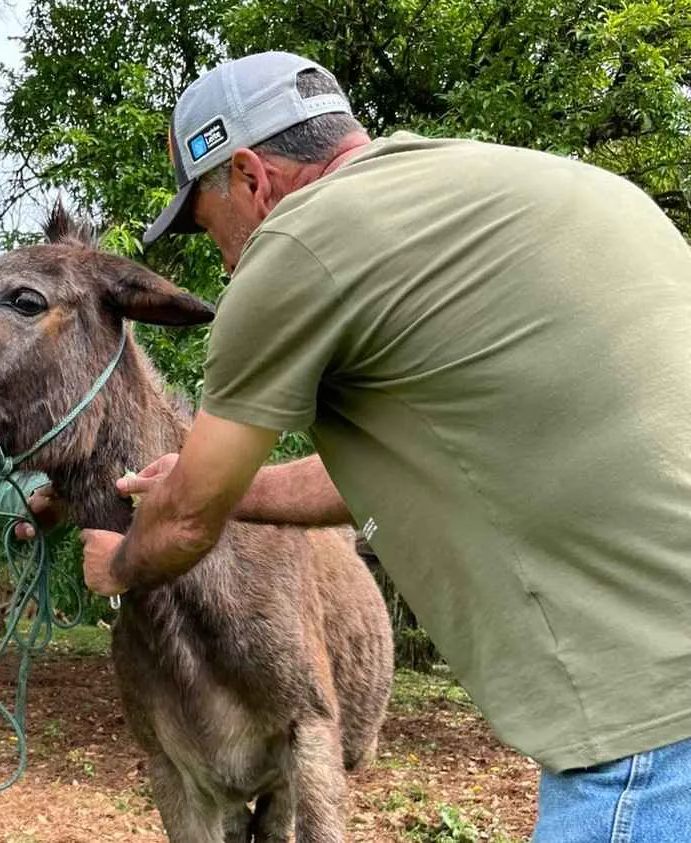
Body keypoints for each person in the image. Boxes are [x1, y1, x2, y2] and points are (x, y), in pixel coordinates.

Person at [79, 51, 691, 841]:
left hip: (649, 736)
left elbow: (189, 521)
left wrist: (119, 564)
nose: (226, 259)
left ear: (250, 176)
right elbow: (397, 466)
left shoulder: (295, 248)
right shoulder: (556, 187)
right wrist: (248, 488)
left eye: (209, 224)